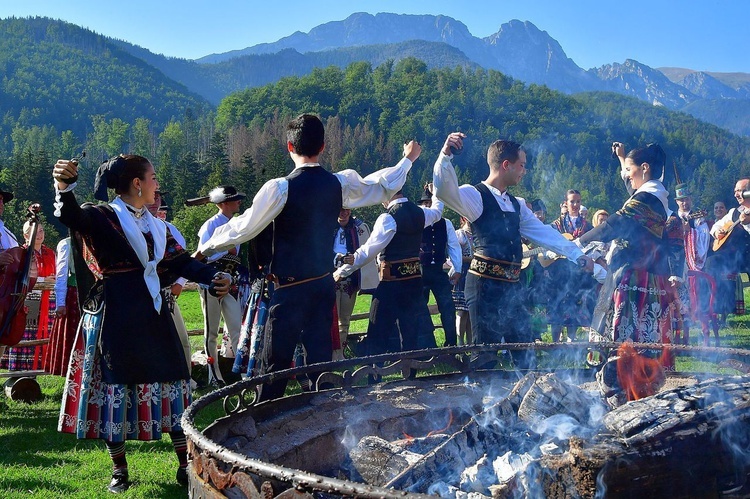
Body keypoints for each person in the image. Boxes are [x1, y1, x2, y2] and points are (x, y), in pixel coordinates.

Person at [196, 113, 422, 401]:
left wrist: (205, 248)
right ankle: (324, 419)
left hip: (289, 290)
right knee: (320, 365)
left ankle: (269, 422)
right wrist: (407, 161)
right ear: (324, 146)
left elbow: (244, 227)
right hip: (322, 286)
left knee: (276, 365)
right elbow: (380, 186)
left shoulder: (280, 188)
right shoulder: (340, 184)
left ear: (289, 148)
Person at [52, 154, 230, 493]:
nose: (156, 184)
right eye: (152, 178)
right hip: (118, 315)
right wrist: (64, 186)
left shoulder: (157, 226)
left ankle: (184, 464)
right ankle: (120, 469)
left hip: (154, 311)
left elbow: (181, 262)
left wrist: (213, 275)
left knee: (173, 378)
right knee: (117, 385)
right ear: (137, 184)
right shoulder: (103, 216)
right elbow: (70, 215)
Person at [433, 132, 593, 369]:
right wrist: (445, 156)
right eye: (522, 165)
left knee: (525, 353)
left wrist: (577, 255)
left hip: (513, 289)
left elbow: (544, 233)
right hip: (484, 289)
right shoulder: (476, 195)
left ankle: (527, 402)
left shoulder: (517, 204)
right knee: (484, 357)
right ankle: (481, 404)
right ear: (506, 165)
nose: (524, 170)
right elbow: (444, 191)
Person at [577, 142, 683, 381]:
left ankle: (623, 381)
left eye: (629, 169)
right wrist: (622, 158)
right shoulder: (655, 195)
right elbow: (632, 188)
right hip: (646, 274)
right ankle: (634, 380)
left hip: (635, 276)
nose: (627, 176)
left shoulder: (648, 198)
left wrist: (579, 243)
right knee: (640, 338)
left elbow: (616, 223)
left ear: (644, 168)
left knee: (627, 339)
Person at [334, 187, 443, 357]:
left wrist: (342, 271)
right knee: (410, 332)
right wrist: (436, 193)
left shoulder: (388, 218)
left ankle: (374, 374)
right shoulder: (421, 213)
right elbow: (437, 211)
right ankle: (410, 374)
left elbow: (367, 251)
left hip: (392, 284)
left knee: (377, 331)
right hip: (414, 283)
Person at [197, 185, 246, 387]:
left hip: (230, 282)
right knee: (211, 332)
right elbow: (203, 252)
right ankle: (213, 374)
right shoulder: (211, 225)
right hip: (212, 281)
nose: (239, 202)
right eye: (235, 199)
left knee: (236, 328)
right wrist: (227, 251)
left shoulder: (236, 224)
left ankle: (242, 373)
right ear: (224, 203)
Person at [148, 190, 194, 380]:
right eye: (154, 195)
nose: (156, 200)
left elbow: (183, 258)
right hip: (141, 296)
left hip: (166, 292)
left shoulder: (167, 229)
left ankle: (185, 379)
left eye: (158, 196)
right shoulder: (126, 225)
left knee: (182, 340)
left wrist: (181, 282)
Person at [0, 218, 56, 371]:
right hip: (27, 297)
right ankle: (18, 369)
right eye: (34, 232)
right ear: (26, 235)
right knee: (24, 333)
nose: (39, 234)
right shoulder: (23, 253)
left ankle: (36, 369)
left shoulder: (49, 252)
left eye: (41, 231)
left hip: (38, 298)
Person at [547, 189, 598, 343]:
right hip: (559, 271)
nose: (575, 204)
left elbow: (593, 245)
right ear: (565, 203)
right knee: (557, 303)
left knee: (574, 303)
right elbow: (548, 244)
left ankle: (571, 341)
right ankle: (555, 343)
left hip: (578, 272)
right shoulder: (556, 225)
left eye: (578, 201)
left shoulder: (587, 227)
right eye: (572, 201)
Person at [417, 184, 462, 347]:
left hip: (437, 271)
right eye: (426, 203)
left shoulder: (446, 223)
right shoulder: (418, 219)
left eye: (430, 202)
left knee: (448, 306)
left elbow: (453, 246)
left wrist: (457, 268)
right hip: (419, 272)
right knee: (419, 309)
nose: (428, 206)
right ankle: (424, 345)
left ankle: (451, 344)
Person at [332, 208, 378, 360]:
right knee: (329, 320)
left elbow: (365, 252)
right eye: (340, 209)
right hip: (328, 280)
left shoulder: (359, 228)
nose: (343, 213)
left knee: (344, 320)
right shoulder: (326, 226)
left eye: (347, 210)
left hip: (349, 281)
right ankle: (328, 355)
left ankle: (340, 355)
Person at [673, 183, 714, 345]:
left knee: (698, 298)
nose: (684, 203)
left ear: (691, 199)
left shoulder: (698, 218)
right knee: (677, 299)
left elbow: (704, 237)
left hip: (692, 263)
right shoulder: (672, 217)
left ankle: (704, 336)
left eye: (687, 199)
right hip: (676, 261)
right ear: (677, 202)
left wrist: (689, 231)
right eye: (681, 200)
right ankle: (679, 335)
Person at [706, 179, 750, 327]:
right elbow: (715, 228)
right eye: (735, 191)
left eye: (739, 190)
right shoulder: (733, 212)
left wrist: (747, 224)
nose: (736, 194)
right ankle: (712, 308)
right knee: (712, 262)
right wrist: (717, 231)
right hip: (735, 259)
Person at [42, 236, 80, 376]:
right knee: (73, 335)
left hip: (93, 293)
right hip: (74, 295)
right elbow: (62, 274)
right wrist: (61, 303)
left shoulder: (95, 239)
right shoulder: (66, 244)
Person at [454, 216, 474, 346]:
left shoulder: (477, 234)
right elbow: (456, 255)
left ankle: (471, 342)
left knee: (471, 310)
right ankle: (460, 342)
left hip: (474, 272)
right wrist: (473, 258)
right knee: (462, 310)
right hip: (463, 272)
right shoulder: (459, 234)